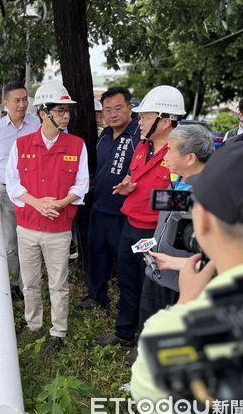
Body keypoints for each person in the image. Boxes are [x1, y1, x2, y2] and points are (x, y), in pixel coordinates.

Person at [131, 141, 243, 414]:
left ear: (203, 222)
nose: (167, 157)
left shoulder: (171, 334)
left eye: (172, 151)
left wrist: (184, 306)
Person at [97, 85, 186, 349]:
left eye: (146, 117)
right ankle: (124, 333)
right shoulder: (142, 147)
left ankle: (145, 343)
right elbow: (137, 176)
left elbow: (186, 199)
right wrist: (129, 184)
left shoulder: (181, 155)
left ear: (166, 120)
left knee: (153, 289)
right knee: (128, 282)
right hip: (131, 227)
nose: (141, 121)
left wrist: (150, 199)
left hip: (156, 236)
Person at [5, 80, 89, 355]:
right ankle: (33, 325)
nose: (66, 115)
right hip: (27, 226)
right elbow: (13, 184)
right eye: (61, 110)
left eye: (67, 111)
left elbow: (81, 184)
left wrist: (62, 203)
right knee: (29, 281)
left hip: (59, 227)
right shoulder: (22, 145)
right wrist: (38, 204)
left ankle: (58, 331)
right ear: (44, 113)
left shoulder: (77, 146)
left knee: (58, 283)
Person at [124, 124, 214, 366]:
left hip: (182, 281)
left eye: (171, 150)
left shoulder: (209, 195)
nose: (164, 155)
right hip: (158, 271)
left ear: (190, 157)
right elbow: (165, 223)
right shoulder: (177, 181)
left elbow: (215, 255)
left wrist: (174, 262)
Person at [76, 87, 141, 310]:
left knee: (124, 262)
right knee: (97, 253)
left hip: (123, 213)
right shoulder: (104, 135)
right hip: (99, 206)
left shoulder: (139, 136)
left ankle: (128, 305)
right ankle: (97, 297)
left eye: (118, 108)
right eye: (107, 110)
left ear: (130, 108)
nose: (112, 114)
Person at [0, 81, 40, 294]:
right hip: (7, 193)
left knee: (32, 241)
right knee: (10, 242)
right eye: (17, 100)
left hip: (33, 193)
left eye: (25, 99)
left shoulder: (37, 125)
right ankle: (13, 285)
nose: (22, 105)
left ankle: (29, 285)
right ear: (5, 103)